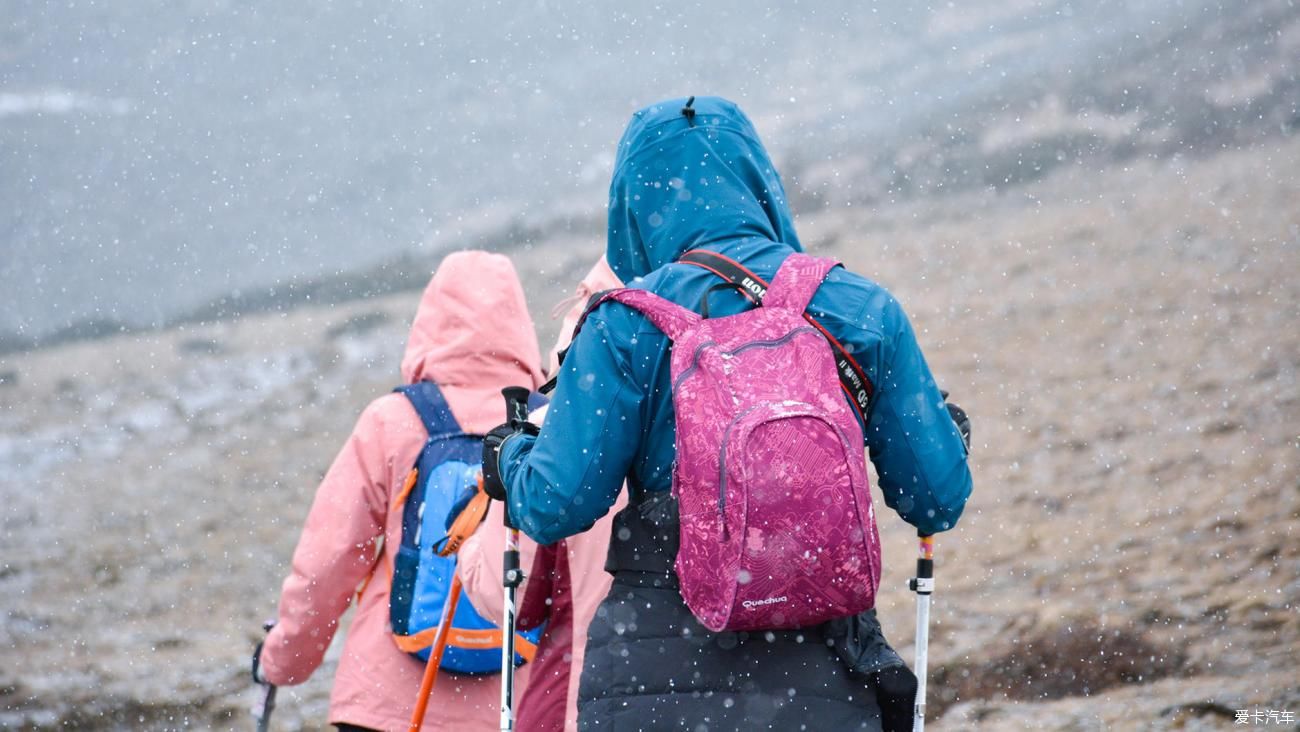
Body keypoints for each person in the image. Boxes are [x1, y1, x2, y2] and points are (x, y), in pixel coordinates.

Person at [482, 96, 973, 730]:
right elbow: (935, 498)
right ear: (757, 182)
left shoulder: (620, 326)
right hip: (821, 677)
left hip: (648, 678)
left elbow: (556, 503)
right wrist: (945, 438)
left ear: (630, 207)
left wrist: (507, 455)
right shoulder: (859, 308)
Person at [254, 251, 544, 731]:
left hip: (388, 705)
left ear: (429, 322)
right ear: (520, 322)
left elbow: (328, 563)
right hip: (517, 706)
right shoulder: (549, 425)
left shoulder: (392, 422)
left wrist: (282, 660)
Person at [458, 257, 626, 732]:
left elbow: (509, 596)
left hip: (588, 695)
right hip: (767, 693)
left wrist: (468, 550)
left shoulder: (553, 426)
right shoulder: (752, 388)